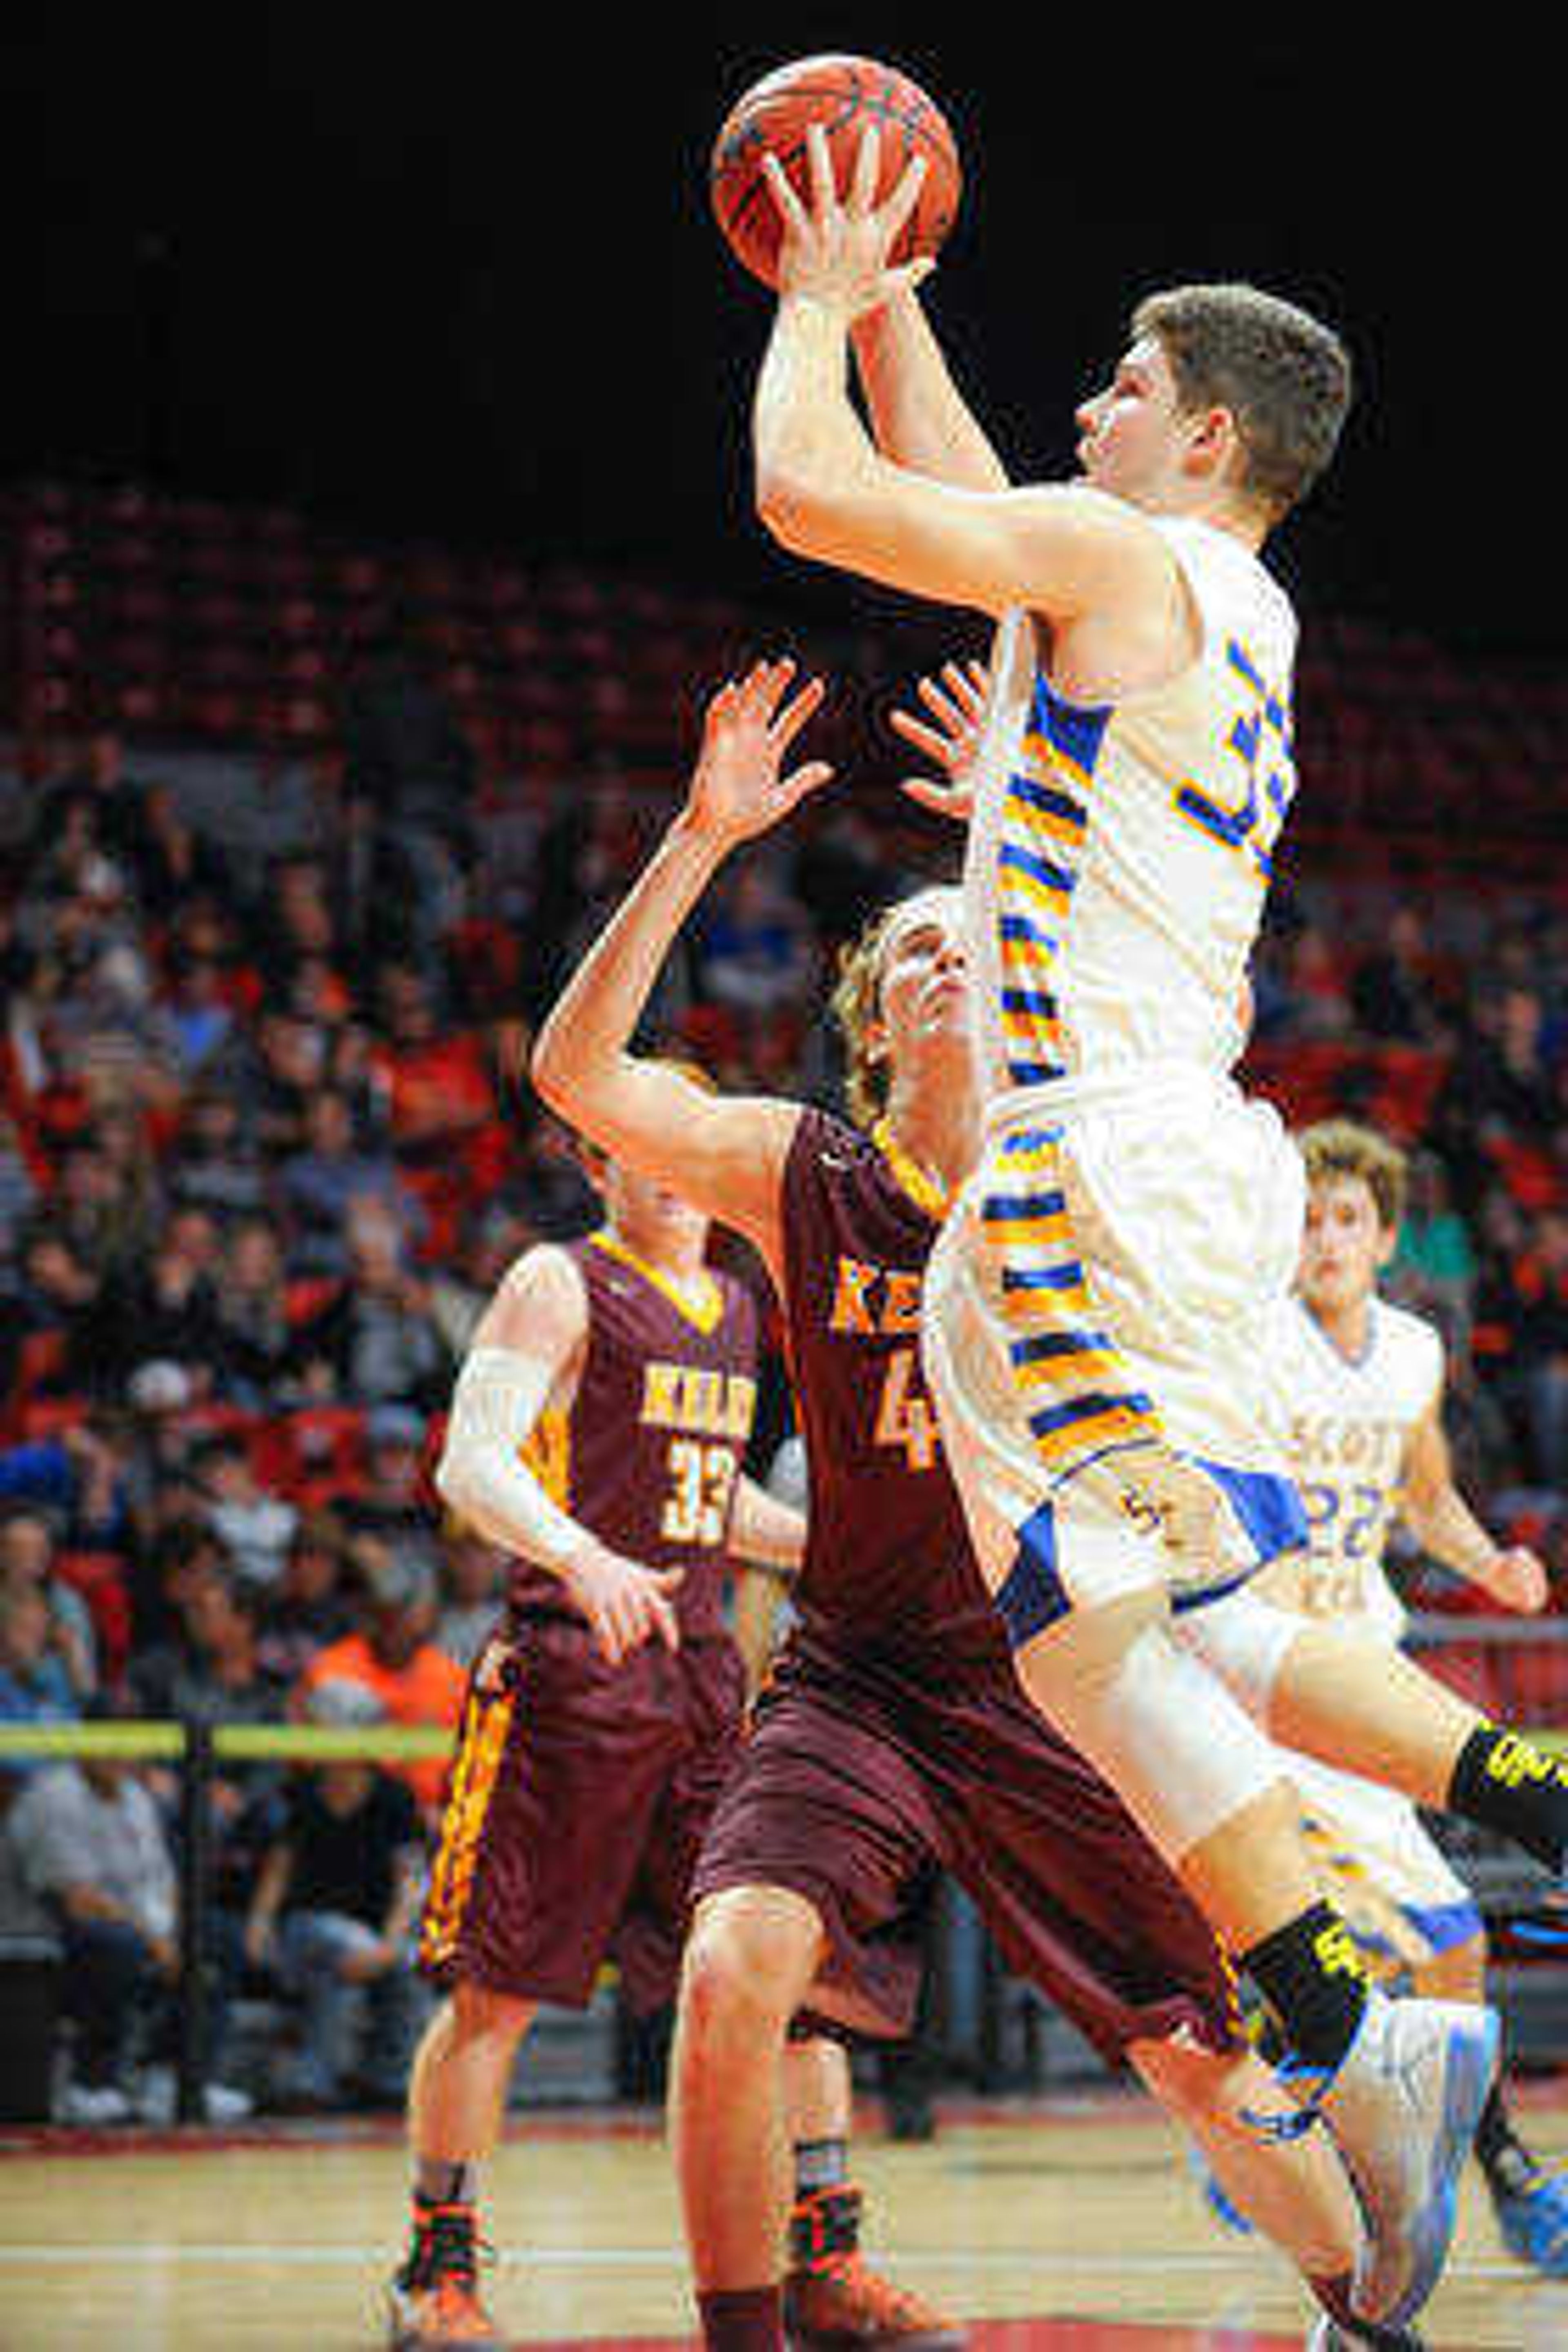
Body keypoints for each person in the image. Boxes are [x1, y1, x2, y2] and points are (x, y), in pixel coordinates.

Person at [742, 129, 1496, 2332]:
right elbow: (994, 503)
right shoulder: (1208, 601)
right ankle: (1374, 2014)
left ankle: (1368, 2033)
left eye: (1121, 386)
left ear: (1210, 432)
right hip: (1180, 1151)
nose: (1087, 413)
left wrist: (811, 287)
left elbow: (816, 497)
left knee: (1092, 1635)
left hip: (1083, 1156)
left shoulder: (1128, 559)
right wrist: (899, 305)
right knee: (1107, 1634)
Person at [530, 665, 1422, 2352]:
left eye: (975, 938)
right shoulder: (803, 1173)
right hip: (862, 1677)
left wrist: (1032, 832)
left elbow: (1159, 975)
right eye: (917, 950)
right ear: (875, 1020)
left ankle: (1369, 2320)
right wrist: (701, 836)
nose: (951, 959)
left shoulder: (1091, 1177)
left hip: (1065, 1675)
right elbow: (579, 1073)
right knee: (730, 1979)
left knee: (1206, 2063)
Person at [384, 1127, 921, 2352]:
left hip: (699, 1689)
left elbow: (709, 1495)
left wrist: (837, 1542)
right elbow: (470, 1465)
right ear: (597, 1167)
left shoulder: (737, 1305)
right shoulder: (557, 1281)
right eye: (648, 1152)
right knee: (498, 1993)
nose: (678, 1175)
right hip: (570, 1686)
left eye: (694, 1153)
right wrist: (579, 1554)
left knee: (790, 1982)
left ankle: (826, 2262)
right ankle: (436, 2274)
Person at [1194, 1118, 1568, 2276]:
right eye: (1305, 1218)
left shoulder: (1409, 1351)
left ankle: (1277, 2113)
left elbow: (1426, 1496)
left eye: (1346, 1218)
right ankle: (1496, 2172)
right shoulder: (1248, 1337)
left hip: (1366, 1677)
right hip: (1262, 1673)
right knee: (1376, 1931)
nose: (1324, 1239)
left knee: (1443, 1949)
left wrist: (1486, 1565)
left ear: (1389, 1235)